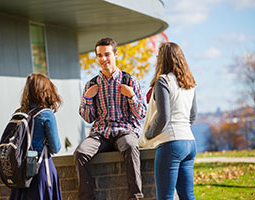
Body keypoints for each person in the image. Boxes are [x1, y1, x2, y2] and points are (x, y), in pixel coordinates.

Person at [74, 37, 147, 200]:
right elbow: (88, 118)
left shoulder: (130, 81)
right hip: (100, 134)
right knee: (80, 152)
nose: (103, 59)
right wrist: (87, 98)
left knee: (130, 145)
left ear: (116, 54)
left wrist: (131, 96)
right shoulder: (91, 85)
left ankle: (135, 196)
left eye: (107, 54)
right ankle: (87, 197)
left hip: (124, 131)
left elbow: (141, 114)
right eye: (99, 55)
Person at [143, 42, 197, 200]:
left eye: (158, 56)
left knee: (165, 197)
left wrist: (148, 134)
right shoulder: (189, 83)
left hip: (171, 144)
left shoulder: (162, 81)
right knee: (188, 196)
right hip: (189, 142)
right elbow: (192, 116)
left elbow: (163, 118)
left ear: (162, 59)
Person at [10, 73, 63, 200]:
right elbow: (55, 148)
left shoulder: (18, 113)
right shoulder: (46, 114)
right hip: (40, 168)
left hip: (20, 170)